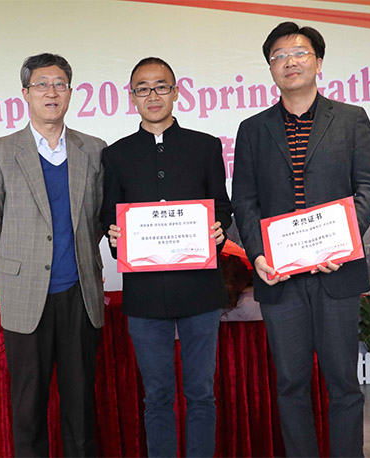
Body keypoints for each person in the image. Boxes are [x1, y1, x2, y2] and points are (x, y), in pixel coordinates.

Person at [232, 22, 370, 457]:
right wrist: (257, 255)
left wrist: (343, 240)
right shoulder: (253, 129)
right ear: (270, 69)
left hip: (337, 271)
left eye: (299, 53)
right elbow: (244, 200)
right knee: (291, 384)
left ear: (318, 62)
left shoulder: (350, 119)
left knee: (343, 383)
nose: (290, 62)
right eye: (279, 56)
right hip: (280, 278)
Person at [0, 53, 106, 457]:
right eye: (42, 84)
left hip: (79, 294)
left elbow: (99, 218)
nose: (51, 92)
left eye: (59, 84)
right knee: (28, 406)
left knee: (81, 405)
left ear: (71, 92)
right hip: (26, 297)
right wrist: (17, 271)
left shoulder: (93, 150)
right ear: (25, 93)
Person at [101, 57, 232, 457]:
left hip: (200, 290)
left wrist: (218, 230)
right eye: (143, 88)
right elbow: (109, 215)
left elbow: (222, 206)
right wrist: (115, 236)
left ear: (176, 92)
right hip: (144, 295)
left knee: (201, 393)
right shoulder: (116, 155)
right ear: (132, 98)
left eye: (161, 86)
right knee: (156, 396)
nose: (153, 95)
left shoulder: (205, 146)